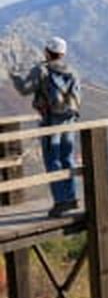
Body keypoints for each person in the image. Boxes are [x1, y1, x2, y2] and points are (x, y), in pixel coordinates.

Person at [10, 36, 82, 217]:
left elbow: (24, 89)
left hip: (50, 121)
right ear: (62, 53)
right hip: (69, 119)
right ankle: (72, 197)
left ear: (47, 51)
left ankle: (60, 202)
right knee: (67, 158)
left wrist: (15, 76)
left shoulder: (41, 70)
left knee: (52, 159)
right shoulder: (72, 71)